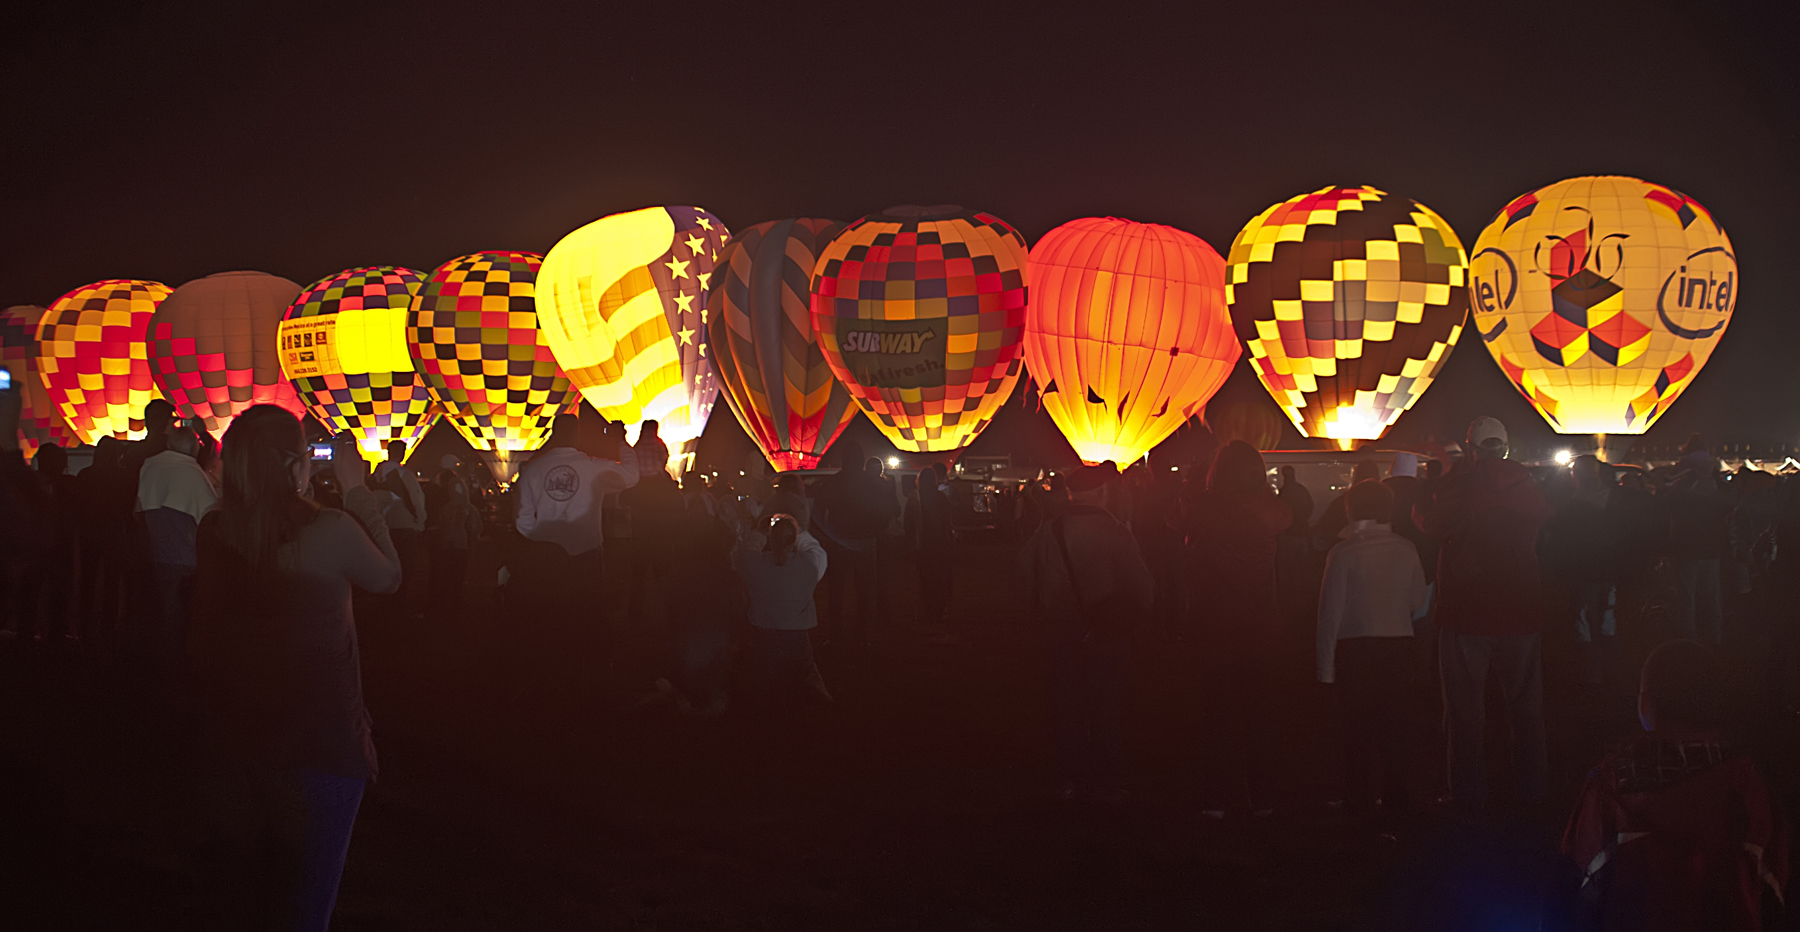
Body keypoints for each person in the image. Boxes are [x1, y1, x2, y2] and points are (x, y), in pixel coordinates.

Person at [187, 406, 401, 931]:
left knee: (251, 892)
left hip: (240, 739)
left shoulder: (214, 531)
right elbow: (389, 577)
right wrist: (357, 489)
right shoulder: (330, 530)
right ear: (292, 465)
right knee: (308, 900)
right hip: (321, 742)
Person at [1562, 640, 1788, 931]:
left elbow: (1574, 881)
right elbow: (1773, 886)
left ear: (1645, 704)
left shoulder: (1610, 784)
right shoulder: (1749, 785)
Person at [1415, 415, 1552, 811]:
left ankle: (1467, 792)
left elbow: (1430, 523)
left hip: (1466, 610)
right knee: (1526, 707)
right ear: (1505, 448)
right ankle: (1533, 789)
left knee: (1464, 709)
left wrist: (1427, 492)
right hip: (1521, 608)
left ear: (1471, 449)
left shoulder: (1461, 486)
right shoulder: (1529, 485)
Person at [1018, 464, 1154, 802]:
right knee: (1107, 707)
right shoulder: (1114, 531)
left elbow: (1024, 578)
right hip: (1106, 630)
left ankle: (1068, 777)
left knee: (1066, 707)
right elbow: (1141, 586)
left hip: (1061, 631)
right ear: (1102, 492)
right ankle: (1107, 780)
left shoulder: (1048, 531)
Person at [1184, 440, 1293, 817]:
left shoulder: (1203, 513)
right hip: (1260, 624)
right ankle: (1264, 795)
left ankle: (1217, 795)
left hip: (1215, 625)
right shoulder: (1272, 514)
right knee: (1261, 712)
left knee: (1217, 712)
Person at [1317, 479, 1426, 815]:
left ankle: (1359, 798)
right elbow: (1418, 600)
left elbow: (1330, 613)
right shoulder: (1406, 548)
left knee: (1357, 729)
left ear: (1350, 509)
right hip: (1399, 644)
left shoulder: (1343, 552)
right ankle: (1399, 797)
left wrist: (1325, 669)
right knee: (1397, 726)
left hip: (1356, 648)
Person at [512, 412, 639, 690]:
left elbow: (522, 519)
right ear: (577, 435)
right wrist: (621, 442)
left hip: (545, 560)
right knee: (586, 614)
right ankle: (583, 676)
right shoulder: (594, 468)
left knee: (549, 615)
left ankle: (549, 674)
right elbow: (631, 475)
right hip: (586, 555)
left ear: (552, 433)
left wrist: (542, 539)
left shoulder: (532, 470)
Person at [136, 423, 218, 675]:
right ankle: (179, 663)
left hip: (157, 549)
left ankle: (163, 662)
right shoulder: (191, 472)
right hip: (186, 554)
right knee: (184, 612)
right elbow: (209, 515)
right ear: (192, 447)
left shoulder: (149, 467)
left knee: (165, 608)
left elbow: (140, 508)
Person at [731, 512, 831, 707]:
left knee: (763, 689)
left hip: (762, 638)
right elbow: (816, 550)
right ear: (794, 538)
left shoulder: (756, 565)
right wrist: (799, 530)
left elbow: (744, 552)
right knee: (801, 681)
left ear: (770, 538)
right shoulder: (809, 564)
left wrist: (761, 532)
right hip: (796, 639)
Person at [811, 440, 894, 647]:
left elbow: (817, 513)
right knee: (865, 593)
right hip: (865, 544)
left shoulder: (832, 482)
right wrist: (874, 533)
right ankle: (862, 636)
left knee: (836, 593)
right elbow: (886, 512)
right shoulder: (873, 483)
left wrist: (830, 535)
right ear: (862, 459)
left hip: (839, 544)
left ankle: (837, 636)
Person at [1664, 443, 1728, 644]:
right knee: (1711, 595)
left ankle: (1689, 636)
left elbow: (1666, 505)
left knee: (1686, 595)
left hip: (1686, 548)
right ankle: (1713, 634)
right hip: (1709, 548)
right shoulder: (1718, 486)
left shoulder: (1683, 486)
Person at [374, 440, 428, 619]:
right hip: (405, 527)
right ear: (402, 453)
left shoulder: (374, 476)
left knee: (384, 566)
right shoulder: (405, 475)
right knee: (405, 568)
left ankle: (384, 606)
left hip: (382, 528)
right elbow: (417, 500)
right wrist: (420, 520)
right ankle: (400, 608)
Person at [424, 469, 482, 620]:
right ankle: (456, 607)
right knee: (459, 577)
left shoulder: (446, 508)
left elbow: (440, 525)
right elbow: (475, 527)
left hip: (447, 546)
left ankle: (442, 607)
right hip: (463, 546)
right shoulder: (469, 509)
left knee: (446, 576)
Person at [915, 461, 955, 622]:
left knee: (925, 577)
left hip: (924, 543)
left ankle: (928, 608)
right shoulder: (941, 498)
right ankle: (939, 608)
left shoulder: (915, 498)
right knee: (940, 576)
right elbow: (947, 521)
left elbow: (909, 522)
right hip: (940, 542)